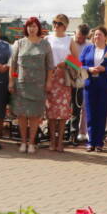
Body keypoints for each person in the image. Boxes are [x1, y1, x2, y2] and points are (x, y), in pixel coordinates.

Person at [9, 17, 54, 154]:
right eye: (29, 26)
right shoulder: (19, 43)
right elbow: (13, 65)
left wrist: (48, 82)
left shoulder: (45, 44)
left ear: (38, 28)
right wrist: (12, 81)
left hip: (38, 85)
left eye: (34, 26)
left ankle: (31, 143)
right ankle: (23, 142)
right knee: (22, 115)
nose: (32, 29)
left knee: (35, 115)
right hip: (21, 85)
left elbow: (50, 66)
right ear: (26, 28)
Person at [80, 26, 107, 152]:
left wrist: (105, 69)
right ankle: (91, 142)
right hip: (90, 85)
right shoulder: (88, 49)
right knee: (90, 114)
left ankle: (99, 142)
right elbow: (79, 64)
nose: (97, 37)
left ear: (105, 37)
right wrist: (89, 69)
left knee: (101, 114)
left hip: (104, 86)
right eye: (95, 35)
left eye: (99, 35)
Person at [46, 14, 77, 152]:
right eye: (54, 23)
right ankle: (52, 141)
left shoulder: (69, 40)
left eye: (59, 23)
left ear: (65, 26)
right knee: (51, 112)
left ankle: (60, 142)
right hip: (50, 77)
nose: (56, 25)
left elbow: (78, 61)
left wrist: (66, 63)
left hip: (64, 79)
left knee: (63, 113)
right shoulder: (48, 38)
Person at [72, 23, 90, 144]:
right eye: (78, 36)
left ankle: (74, 134)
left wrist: (81, 69)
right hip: (68, 77)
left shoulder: (89, 45)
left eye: (83, 38)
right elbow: (66, 57)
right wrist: (77, 66)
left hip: (81, 80)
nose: (80, 39)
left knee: (77, 108)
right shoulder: (69, 43)